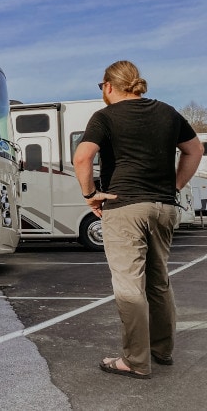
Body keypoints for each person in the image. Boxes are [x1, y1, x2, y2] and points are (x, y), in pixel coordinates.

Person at [73, 60, 203, 380]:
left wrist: (91, 194)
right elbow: (195, 150)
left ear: (108, 86)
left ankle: (135, 361)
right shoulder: (168, 112)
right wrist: (174, 186)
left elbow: (82, 157)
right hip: (163, 207)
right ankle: (162, 350)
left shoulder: (104, 117)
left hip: (124, 207)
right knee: (159, 282)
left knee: (129, 286)